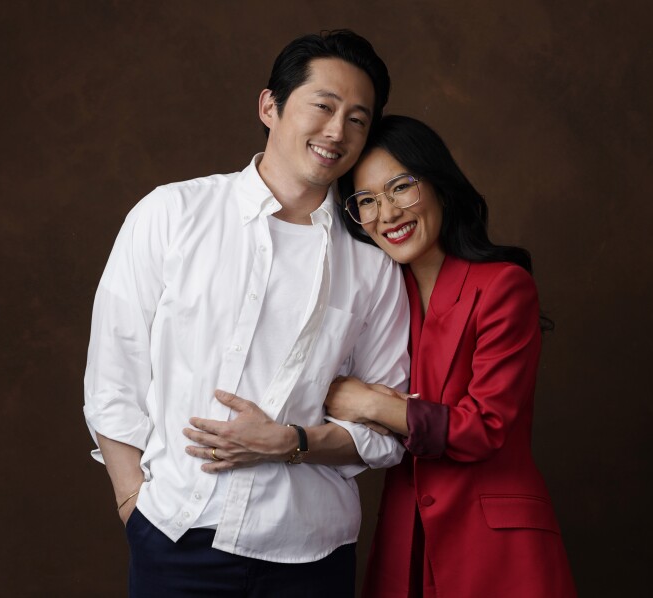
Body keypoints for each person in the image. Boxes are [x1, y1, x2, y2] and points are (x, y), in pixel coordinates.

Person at [83, 31, 410, 598]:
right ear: (270, 106)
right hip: (175, 539)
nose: (338, 131)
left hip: (313, 553)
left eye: (358, 119)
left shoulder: (372, 265)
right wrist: (131, 502)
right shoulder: (172, 213)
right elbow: (114, 376)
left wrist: (290, 442)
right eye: (324, 106)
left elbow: (384, 432)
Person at [326, 115, 577, 597]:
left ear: (438, 184)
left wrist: (373, 405)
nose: (388, 213)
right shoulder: (376, 296)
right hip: (406, 540)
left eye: (400, 187)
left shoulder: (503, 286)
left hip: (496, 548)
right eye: (367, 201)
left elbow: (483, 428)